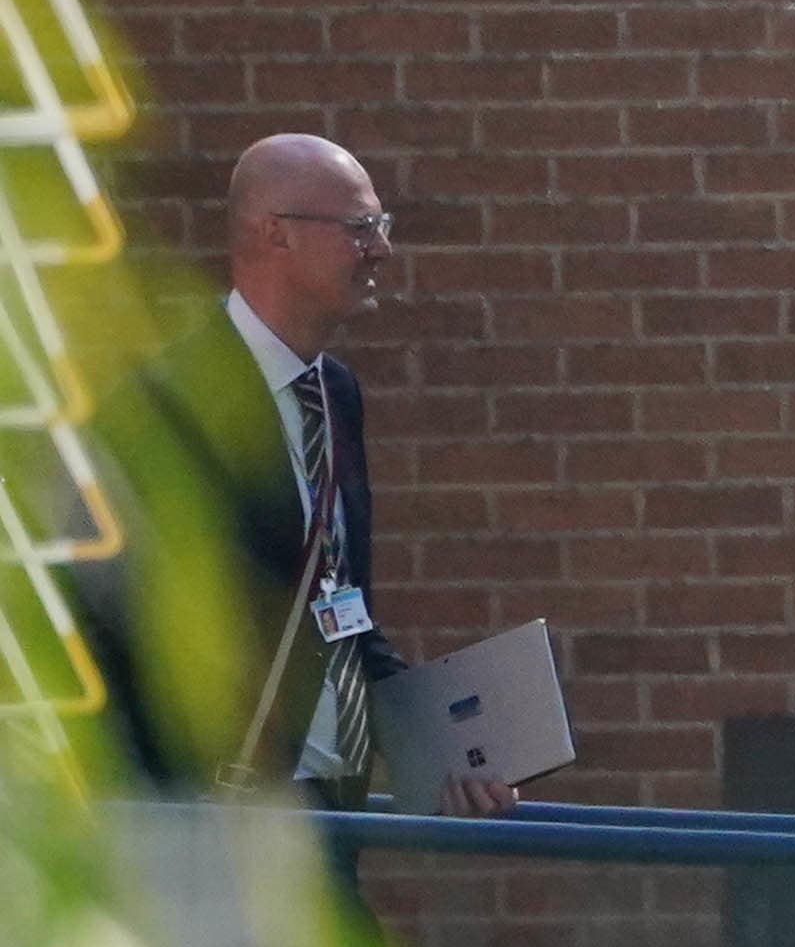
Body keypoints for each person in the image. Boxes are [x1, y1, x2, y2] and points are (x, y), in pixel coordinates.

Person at [84, 133, 515, 822]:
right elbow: (126, 625)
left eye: (380, 226)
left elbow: (339, 608)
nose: (382, 248)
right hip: (211, 823)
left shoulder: (335, 394)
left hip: (323, 815)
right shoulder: (169, 403)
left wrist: (443, 746)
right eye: (359, 227)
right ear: (274, 235)